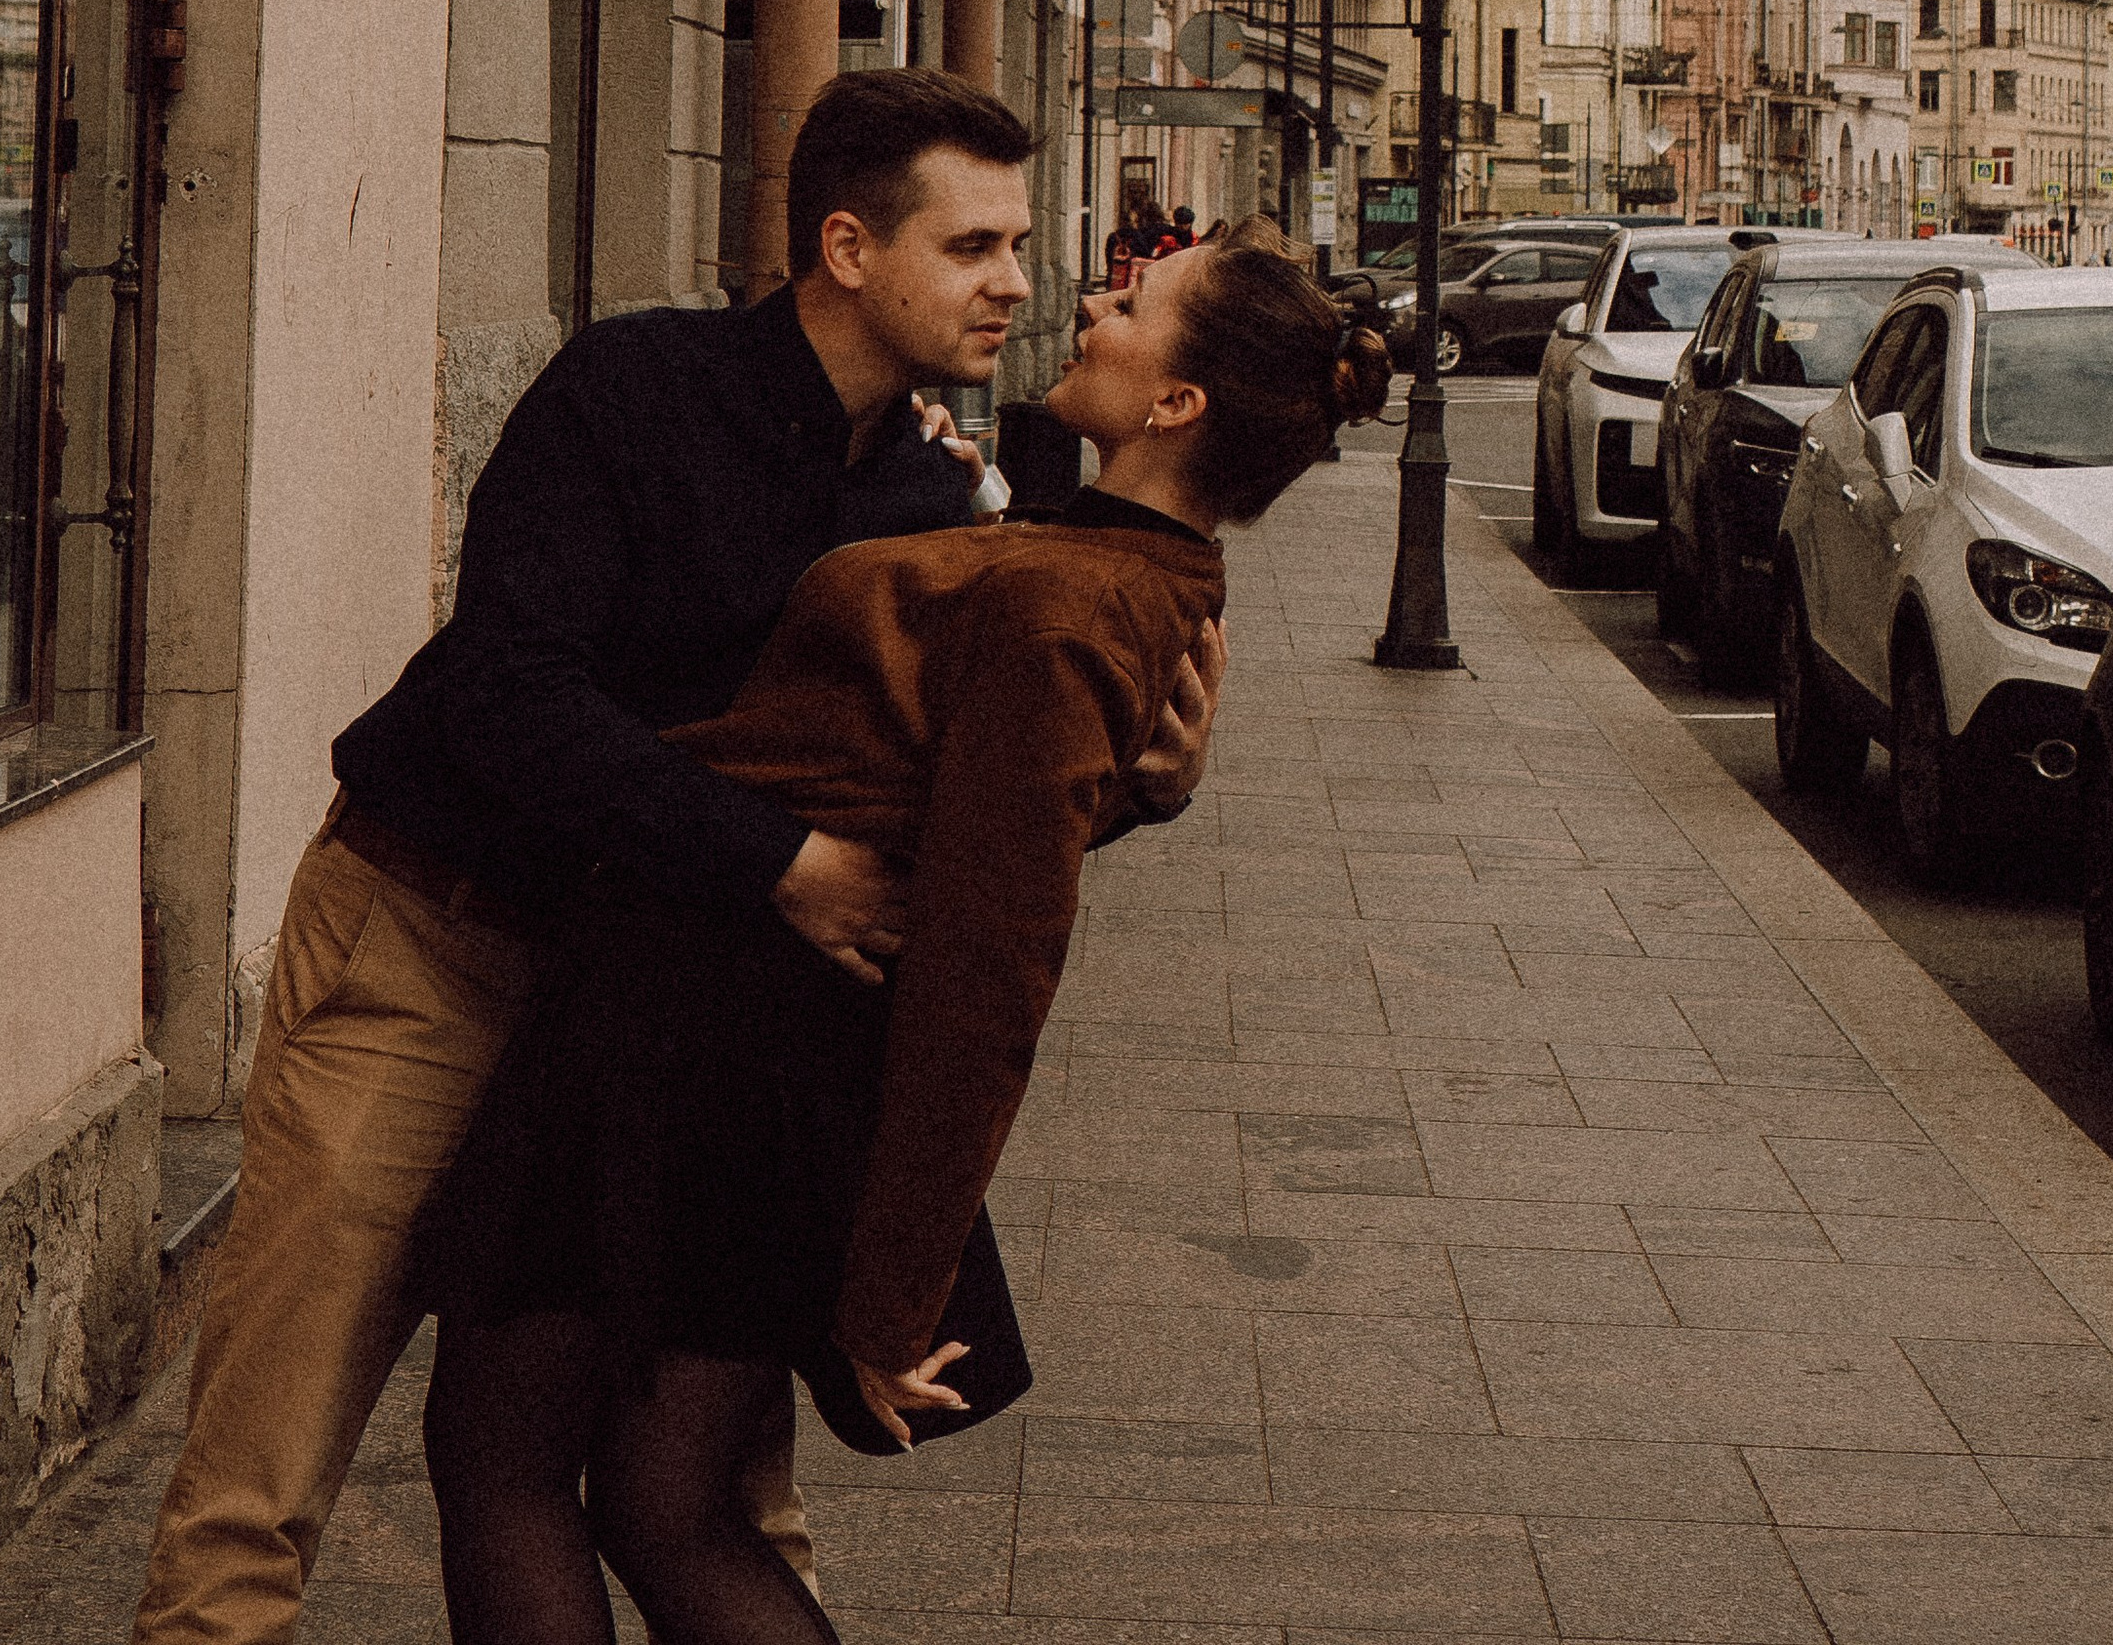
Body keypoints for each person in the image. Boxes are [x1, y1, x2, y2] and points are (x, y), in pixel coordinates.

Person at [131, 69, 1223, 1645]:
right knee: (265, 1477)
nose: (1016, 282)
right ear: (848, 249)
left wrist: (1149, 781)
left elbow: (958, 793)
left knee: (712, 1488)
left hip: (648, 1012)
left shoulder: (928, 492)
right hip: (433, 945)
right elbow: (513, 692)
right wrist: (780, 860)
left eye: (1018, 245)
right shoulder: (630, 391)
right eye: (974, 246)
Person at [417, 228, 1390, 1644]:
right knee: (654, 1502)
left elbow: (994, 961)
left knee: (524, 1472)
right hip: (718, 1017)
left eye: (1136, 304)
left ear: (1179, 404)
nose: (1091, 305)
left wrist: (895, 1292)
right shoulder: (1104, 566)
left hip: (706, 1033)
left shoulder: (1075, 602)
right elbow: (973, 807)